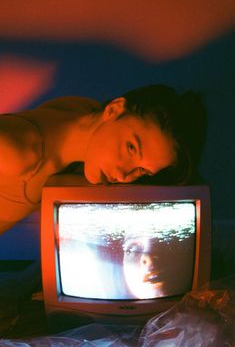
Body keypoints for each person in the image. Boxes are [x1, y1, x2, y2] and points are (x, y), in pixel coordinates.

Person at [0, 84, 207, 235]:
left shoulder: (83, 110)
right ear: (114, 109)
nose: (124, 175)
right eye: (131, 148)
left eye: (142, 170)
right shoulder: (17, 153)